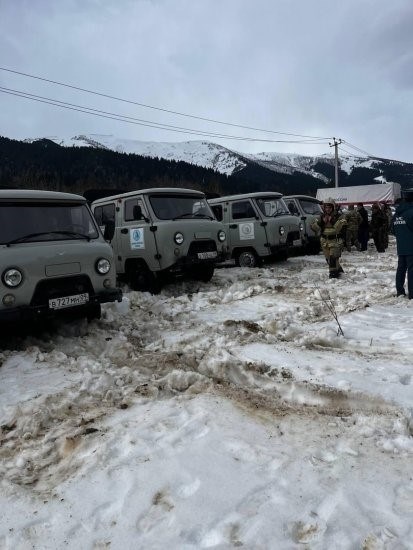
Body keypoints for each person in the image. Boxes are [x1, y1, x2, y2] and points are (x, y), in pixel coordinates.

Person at [311, 198, 347, 278]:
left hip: (335, 241)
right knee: (329, 260)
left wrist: (332, 221)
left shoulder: (340, 216)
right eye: (326, 207)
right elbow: (313, 226)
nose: (327, 209)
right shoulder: (322, 216)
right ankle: (340, 272)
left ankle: (333, 276)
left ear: (333, 207)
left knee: (333, 258)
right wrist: (321, 223)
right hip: (325, 241)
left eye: (329, 207)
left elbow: (340, 227)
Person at [391, 189, 413, 298]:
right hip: (411, 247)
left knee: (401, 269)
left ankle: (400, 291)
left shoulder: (396, 214)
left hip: (401, 247)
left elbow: (393, 230)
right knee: (412, 270)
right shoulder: (411, 212)